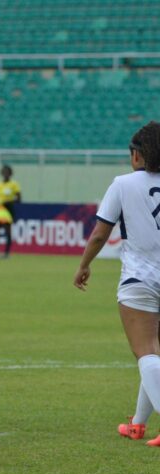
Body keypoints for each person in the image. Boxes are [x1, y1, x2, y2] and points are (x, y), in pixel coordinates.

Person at [74, 121, 160, 447]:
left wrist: (84, 265)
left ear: (137, 154)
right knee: (155, 353)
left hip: (140, 280)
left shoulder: (123, 184)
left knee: (146, 353)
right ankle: (137, 425)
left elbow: (100, 233)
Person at [0, 164, 21, 258]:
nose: (5, 174)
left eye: (7, 172)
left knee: (7, 231)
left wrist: (8, 202)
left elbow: (19, 199)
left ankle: (6, 253)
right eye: (4, 172)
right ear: (1, 173)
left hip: (8, 208)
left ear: (10, 174)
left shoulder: (14, 184)